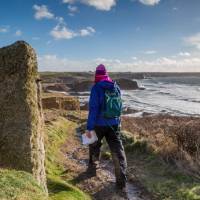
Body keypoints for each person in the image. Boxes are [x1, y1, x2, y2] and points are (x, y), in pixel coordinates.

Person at [86, 64, 127, 193]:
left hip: (99, 123)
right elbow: (120, 106)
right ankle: (121, 180)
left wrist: (89, 128)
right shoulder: (116, 86)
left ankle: (93, 168)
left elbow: (93, 109)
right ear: (106, 73)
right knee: (117, 150)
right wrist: (118, 122)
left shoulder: (96, 88)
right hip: (114, 123)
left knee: (94, 144)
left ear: (96, 74)